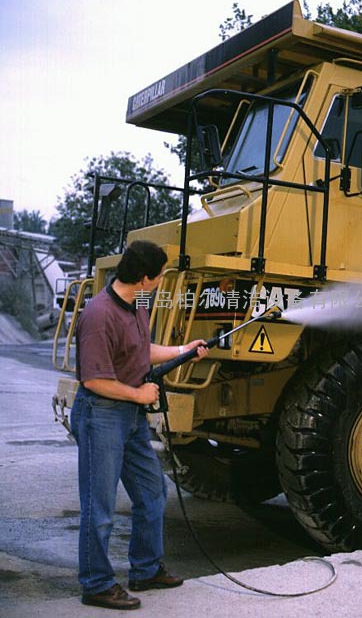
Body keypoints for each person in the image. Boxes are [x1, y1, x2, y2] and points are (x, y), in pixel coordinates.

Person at [70, 239, 208, 610]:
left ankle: (145, 570)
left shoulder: (137, 303)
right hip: (101, 414)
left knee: (152, 492)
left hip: (127, 414)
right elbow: (94, 381)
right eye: (161, 275)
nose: (163, 280)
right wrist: (141, 396)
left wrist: (183, 350)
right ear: (146, 278)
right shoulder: (99, 315)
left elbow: (142, 349)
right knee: (99, 506)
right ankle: (97, 583)